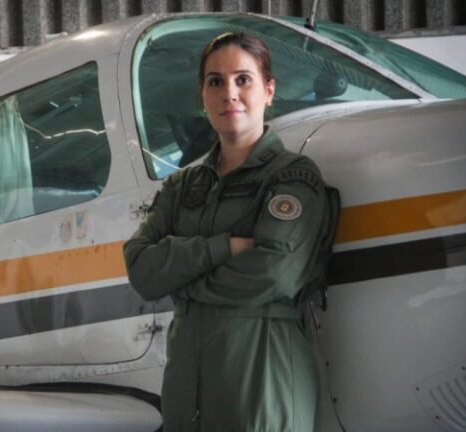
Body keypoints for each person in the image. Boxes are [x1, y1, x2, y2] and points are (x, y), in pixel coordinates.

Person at [124, 32, 337, 432]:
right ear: (202, 96)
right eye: (215, 81)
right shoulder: (182, 186)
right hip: (187, 401)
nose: (229, 93)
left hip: (261, 392)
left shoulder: (293, 177)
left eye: (243, 79)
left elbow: (275, 272)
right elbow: (141, 270)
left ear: (269, 91)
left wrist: (183, 281)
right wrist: (225, 247)